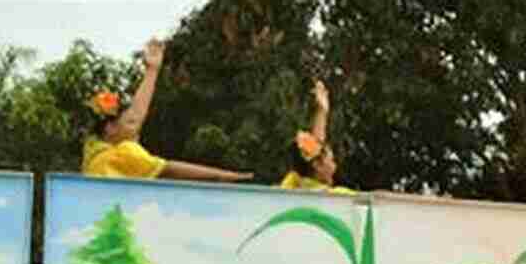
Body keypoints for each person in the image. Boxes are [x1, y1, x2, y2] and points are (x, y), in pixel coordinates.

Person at [82, 40, 252, 183]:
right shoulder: (120, 155)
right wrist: (223, 175)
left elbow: (136, 115)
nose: (136, 123)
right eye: (128, 121)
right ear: (110, 128)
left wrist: (152, 71)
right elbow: (169, 169)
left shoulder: (93, 151)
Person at [279, 80, 351, 193]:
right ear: (317, 165)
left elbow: (316, 152)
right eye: (331, 160)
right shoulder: (336, 197)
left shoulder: (290, 186)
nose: (335, 166)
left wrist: (322, 111)